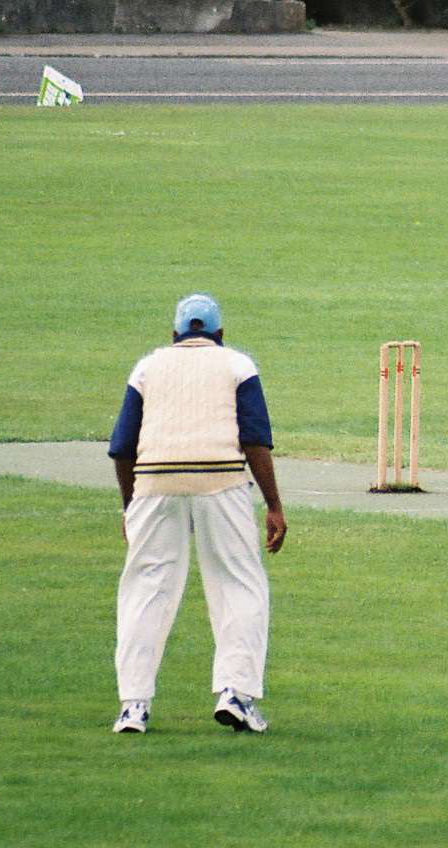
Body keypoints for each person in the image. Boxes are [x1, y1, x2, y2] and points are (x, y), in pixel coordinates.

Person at [107, 292, 286, 734]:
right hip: (220, 483)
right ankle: (236, 693)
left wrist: (131, 507)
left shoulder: (147, 366)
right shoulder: (237, 364)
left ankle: (134, 707)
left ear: (174, 334)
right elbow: (255, 441)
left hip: (154, 484)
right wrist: (274, 505)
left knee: (145, 591)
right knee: (240, 584)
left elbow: (122, 448)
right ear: (220, 334)